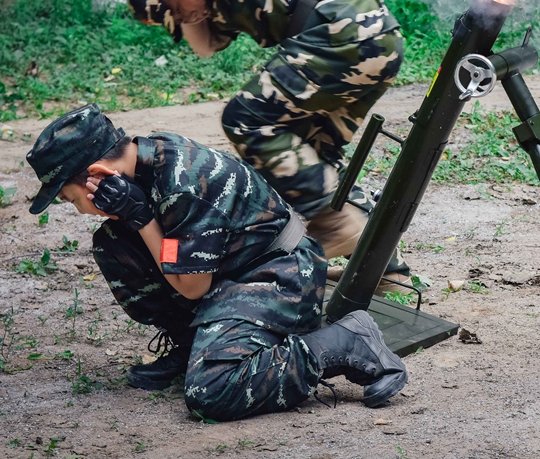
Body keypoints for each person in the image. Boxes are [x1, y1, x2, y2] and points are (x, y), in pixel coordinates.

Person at [25, 103, 407, 419]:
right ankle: (196, 341)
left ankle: (342, 341)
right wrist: (136, 216)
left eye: (72, 199)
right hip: (232, 270)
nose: (78, 209)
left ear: (97, 175)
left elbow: (192, 286)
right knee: (114, 242)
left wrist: (141, 217)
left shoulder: (185, 182)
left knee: (210, 391)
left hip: (279, 271)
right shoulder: (144, 162)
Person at [125, 0, 410, 289]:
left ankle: (338, 226)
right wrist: (179, 6)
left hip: (343, 29)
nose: (183, 18)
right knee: (310, 160)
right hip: (366, 39)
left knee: (245, 118)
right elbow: (206, 48)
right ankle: (384, 267)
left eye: (176, 8)